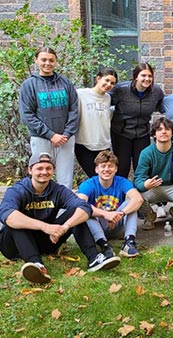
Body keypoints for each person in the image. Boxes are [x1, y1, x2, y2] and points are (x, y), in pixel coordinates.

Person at [0, 153, 120, 284]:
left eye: (48, 168)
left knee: (76, 212)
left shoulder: (58, 190)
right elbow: (8, 216)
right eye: (39, 168)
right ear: (30, 170)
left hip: (46, 241)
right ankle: (36, 265)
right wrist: (46, 227)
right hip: (14, 246)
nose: (44, 172)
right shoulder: (18, 190)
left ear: (53, 170)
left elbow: (85, 208)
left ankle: (94, 258)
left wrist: (65, 227)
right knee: (17, 222)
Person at [19, 47, 79, 188]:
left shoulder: (66, 83)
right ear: (36, 60)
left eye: (51, 60)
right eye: (43, 59)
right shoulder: (29, 85)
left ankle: (64, 210)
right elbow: (27, 114)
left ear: (56, 61)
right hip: (41, 139)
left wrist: (66, 134)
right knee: (41, 176)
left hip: (66, 139)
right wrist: (51, 135)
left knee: (65, 180)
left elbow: (74, 109)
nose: (47, 63)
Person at [77, 150, 144, 258]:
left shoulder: (122, 182)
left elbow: (138, 199)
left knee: (130, 204)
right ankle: (104, 246)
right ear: (96, 169)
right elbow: (79, 204)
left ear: (116, 169)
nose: (107, 169)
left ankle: (129, 243)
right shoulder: (88, 184)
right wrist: (105, 214)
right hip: (98, 225)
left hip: (117, 223)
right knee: (86, 210)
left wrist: (121, 213)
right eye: (103, 166)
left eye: (110, 166)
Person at [133, 117, 173, 229]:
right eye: (159, 129)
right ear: (154, 134)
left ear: (172, 133)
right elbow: (138, 178)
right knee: (133, 196)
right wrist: (144, 185)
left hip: (172, 187)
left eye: (167, 129)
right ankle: (150, 215)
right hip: (152, 188)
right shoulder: (146, 153)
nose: (163, 132)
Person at [110, 63, 165, 177]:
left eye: (150, 76)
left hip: (142, 134)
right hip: (121, 134)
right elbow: (104, 100)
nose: (147, 79)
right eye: (143, 75)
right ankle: (121, 193)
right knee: (122, 168)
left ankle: (141, 193)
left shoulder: (156, 92)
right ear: (136, 76)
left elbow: (164, 105)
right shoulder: (121, 90)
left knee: (142, 167)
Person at [75, 68, 118, 178]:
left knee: (105, 177)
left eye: (112, 83)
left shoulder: (108, 98)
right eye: (107, 80)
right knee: (95, 177)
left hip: (103, 144)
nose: (109, 84)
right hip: (84, 144)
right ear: (98, 78)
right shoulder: (81, 94)